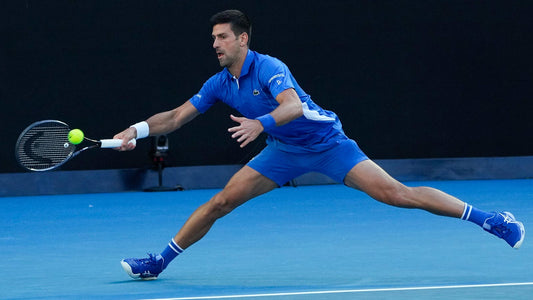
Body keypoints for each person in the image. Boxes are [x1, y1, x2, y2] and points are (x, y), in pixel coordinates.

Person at [115, 9, 525, 280]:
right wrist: (136, 130)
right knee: (221, 203)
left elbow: (291, 107)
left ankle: (491, 219)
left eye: (222, 37)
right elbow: (175, 117)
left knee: (397, 194)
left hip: (328, 144)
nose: (216, 44)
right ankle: (159, 262)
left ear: (243, 40)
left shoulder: (269, 67)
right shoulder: (218, 83)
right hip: (282, 152)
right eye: (213, 39)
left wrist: (259, 125)